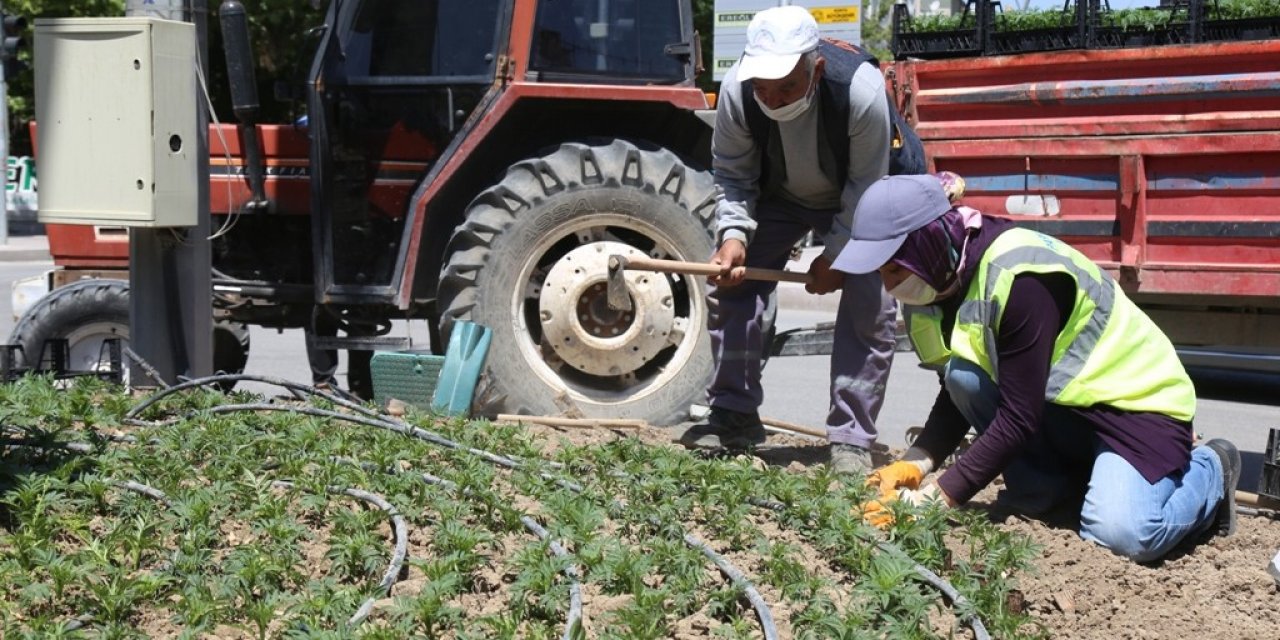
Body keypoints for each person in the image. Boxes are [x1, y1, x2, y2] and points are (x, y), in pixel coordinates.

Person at [836, 173, 1241, 563]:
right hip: (1064, 407)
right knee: (963, 377)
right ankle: (1048, 494)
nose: (889, 286)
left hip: (1136, 409)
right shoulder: (941, 277)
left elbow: (1019, 417)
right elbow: (959, 390)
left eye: (893, 269)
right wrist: (916, 461)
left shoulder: (1021, 276)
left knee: (1122, 535)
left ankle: (1211, 470)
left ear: (925, 245)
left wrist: (934, 498)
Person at [679, 6, 908, 474]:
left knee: (869, 298)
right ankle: (733, 413)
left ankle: (850, 438)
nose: (775, 99)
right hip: (781, 195)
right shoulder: (738, 95)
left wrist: (837, 256)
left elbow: (866, 188)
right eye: (764, 87)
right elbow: (733, 174)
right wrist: (734, 235)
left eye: (786, 85)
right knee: (729, 283)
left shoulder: (861, 92)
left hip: (866, 195)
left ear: (816, 67)